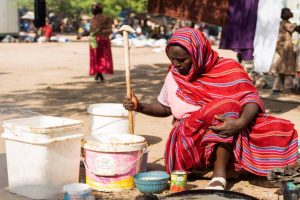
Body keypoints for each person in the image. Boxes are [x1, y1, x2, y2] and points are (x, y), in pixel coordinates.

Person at [123, 28, 298, 190]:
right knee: (226, 106)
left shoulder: (228, 68)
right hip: (188, 142)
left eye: (182, 59)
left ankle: (223, 168)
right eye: (172, 59)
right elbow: (165, 108)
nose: (176, 64)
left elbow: (250, 99)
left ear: (198, 53)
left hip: (228, 132)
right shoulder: (174, 76)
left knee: (273, 127)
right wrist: (140, 106)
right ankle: (219, 174)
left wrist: (240, 122)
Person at [271, 8, 300, 95]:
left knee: (282, 69)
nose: (291, 13)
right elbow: (293, 28)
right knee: (287, 68)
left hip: (285, 46)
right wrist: (296, 26)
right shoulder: (285, 23)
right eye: (288, 11)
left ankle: (277, 88)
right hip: (285, 47)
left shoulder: (284, 23)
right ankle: (288, 87)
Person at [89, 2, 113, 82]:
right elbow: (109, 30)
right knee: (101, 57)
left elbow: (108, 29)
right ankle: (99, 74)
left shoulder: (93, 19)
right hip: (102, 40)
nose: (92, 10)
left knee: (96, 57)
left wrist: (98, 33)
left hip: (96, 40)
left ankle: (98, 74)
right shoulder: (104, 18)